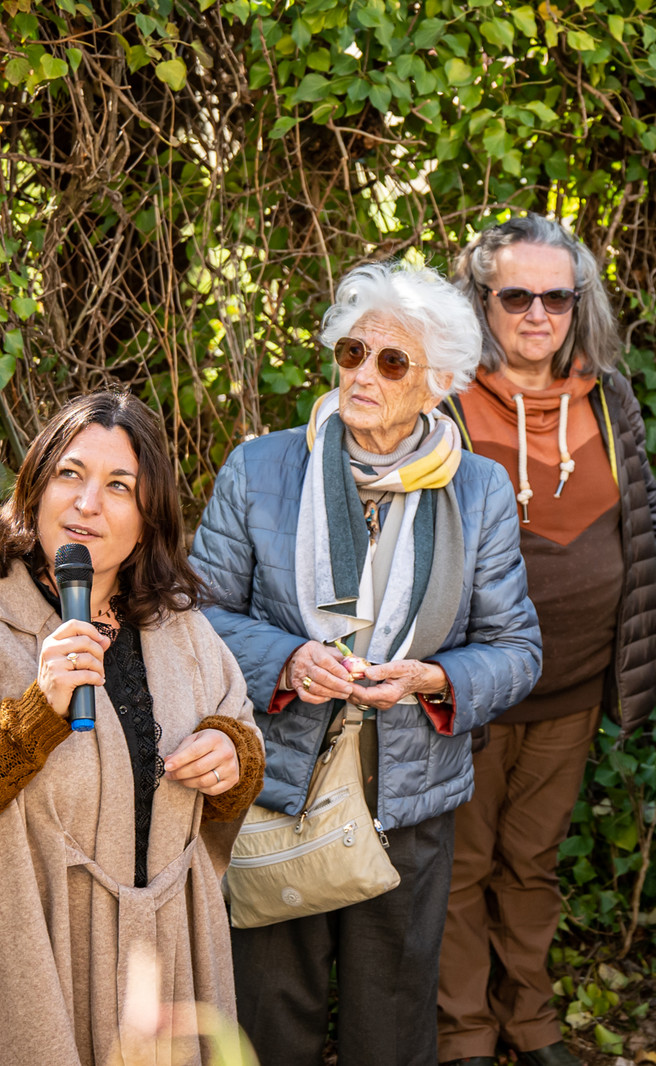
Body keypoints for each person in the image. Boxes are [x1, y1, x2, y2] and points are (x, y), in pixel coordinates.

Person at [0, 391, 265, 1065]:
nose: (88, 503)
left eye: (119, 486)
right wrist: (37, 714)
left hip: (151, 993)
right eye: (70, 474)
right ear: (34, 488)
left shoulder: (182, 633)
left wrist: (231, 757)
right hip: (3, 988)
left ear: (148, 520)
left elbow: (236, 748)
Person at [190, 261, 543, 1065]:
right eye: (352, 353)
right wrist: (286, 660)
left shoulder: (480, 490)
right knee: (271, 1017)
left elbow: (516, 649)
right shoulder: (262, 468)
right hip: (279, 784)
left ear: (439, 383)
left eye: (392, 362)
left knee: (392, 1020)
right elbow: (195, 617)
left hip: (407, 793)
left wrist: (436, 679)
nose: (362, 375)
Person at [436, 214, 656, 1066]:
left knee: (530, 865)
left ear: (580, 303)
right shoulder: (442, 399)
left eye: (557, 297)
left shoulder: (610, 398)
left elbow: (642, 527)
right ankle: (462, 1036)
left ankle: (528, 1026)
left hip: (573, 686)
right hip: (470, 690)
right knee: (460, 867)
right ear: (480, 302)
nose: (538, 314)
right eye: (516, 296)